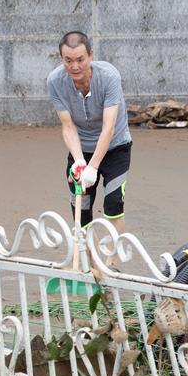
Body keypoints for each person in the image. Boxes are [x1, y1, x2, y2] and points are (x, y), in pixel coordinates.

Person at [47, 31, 132, 230]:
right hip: (81, 148)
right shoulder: (55, 81)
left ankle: (111, 260)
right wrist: (79, 162)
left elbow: (108, 127)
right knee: (81, 208)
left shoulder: (109, 76)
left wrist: (92, 167)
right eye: (68, 60)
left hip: (115, 147)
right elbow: (68, 127)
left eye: (80, 59)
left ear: (90, 55)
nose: (74, 66)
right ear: (61, 59)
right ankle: (89, 259)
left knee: (113, 204)